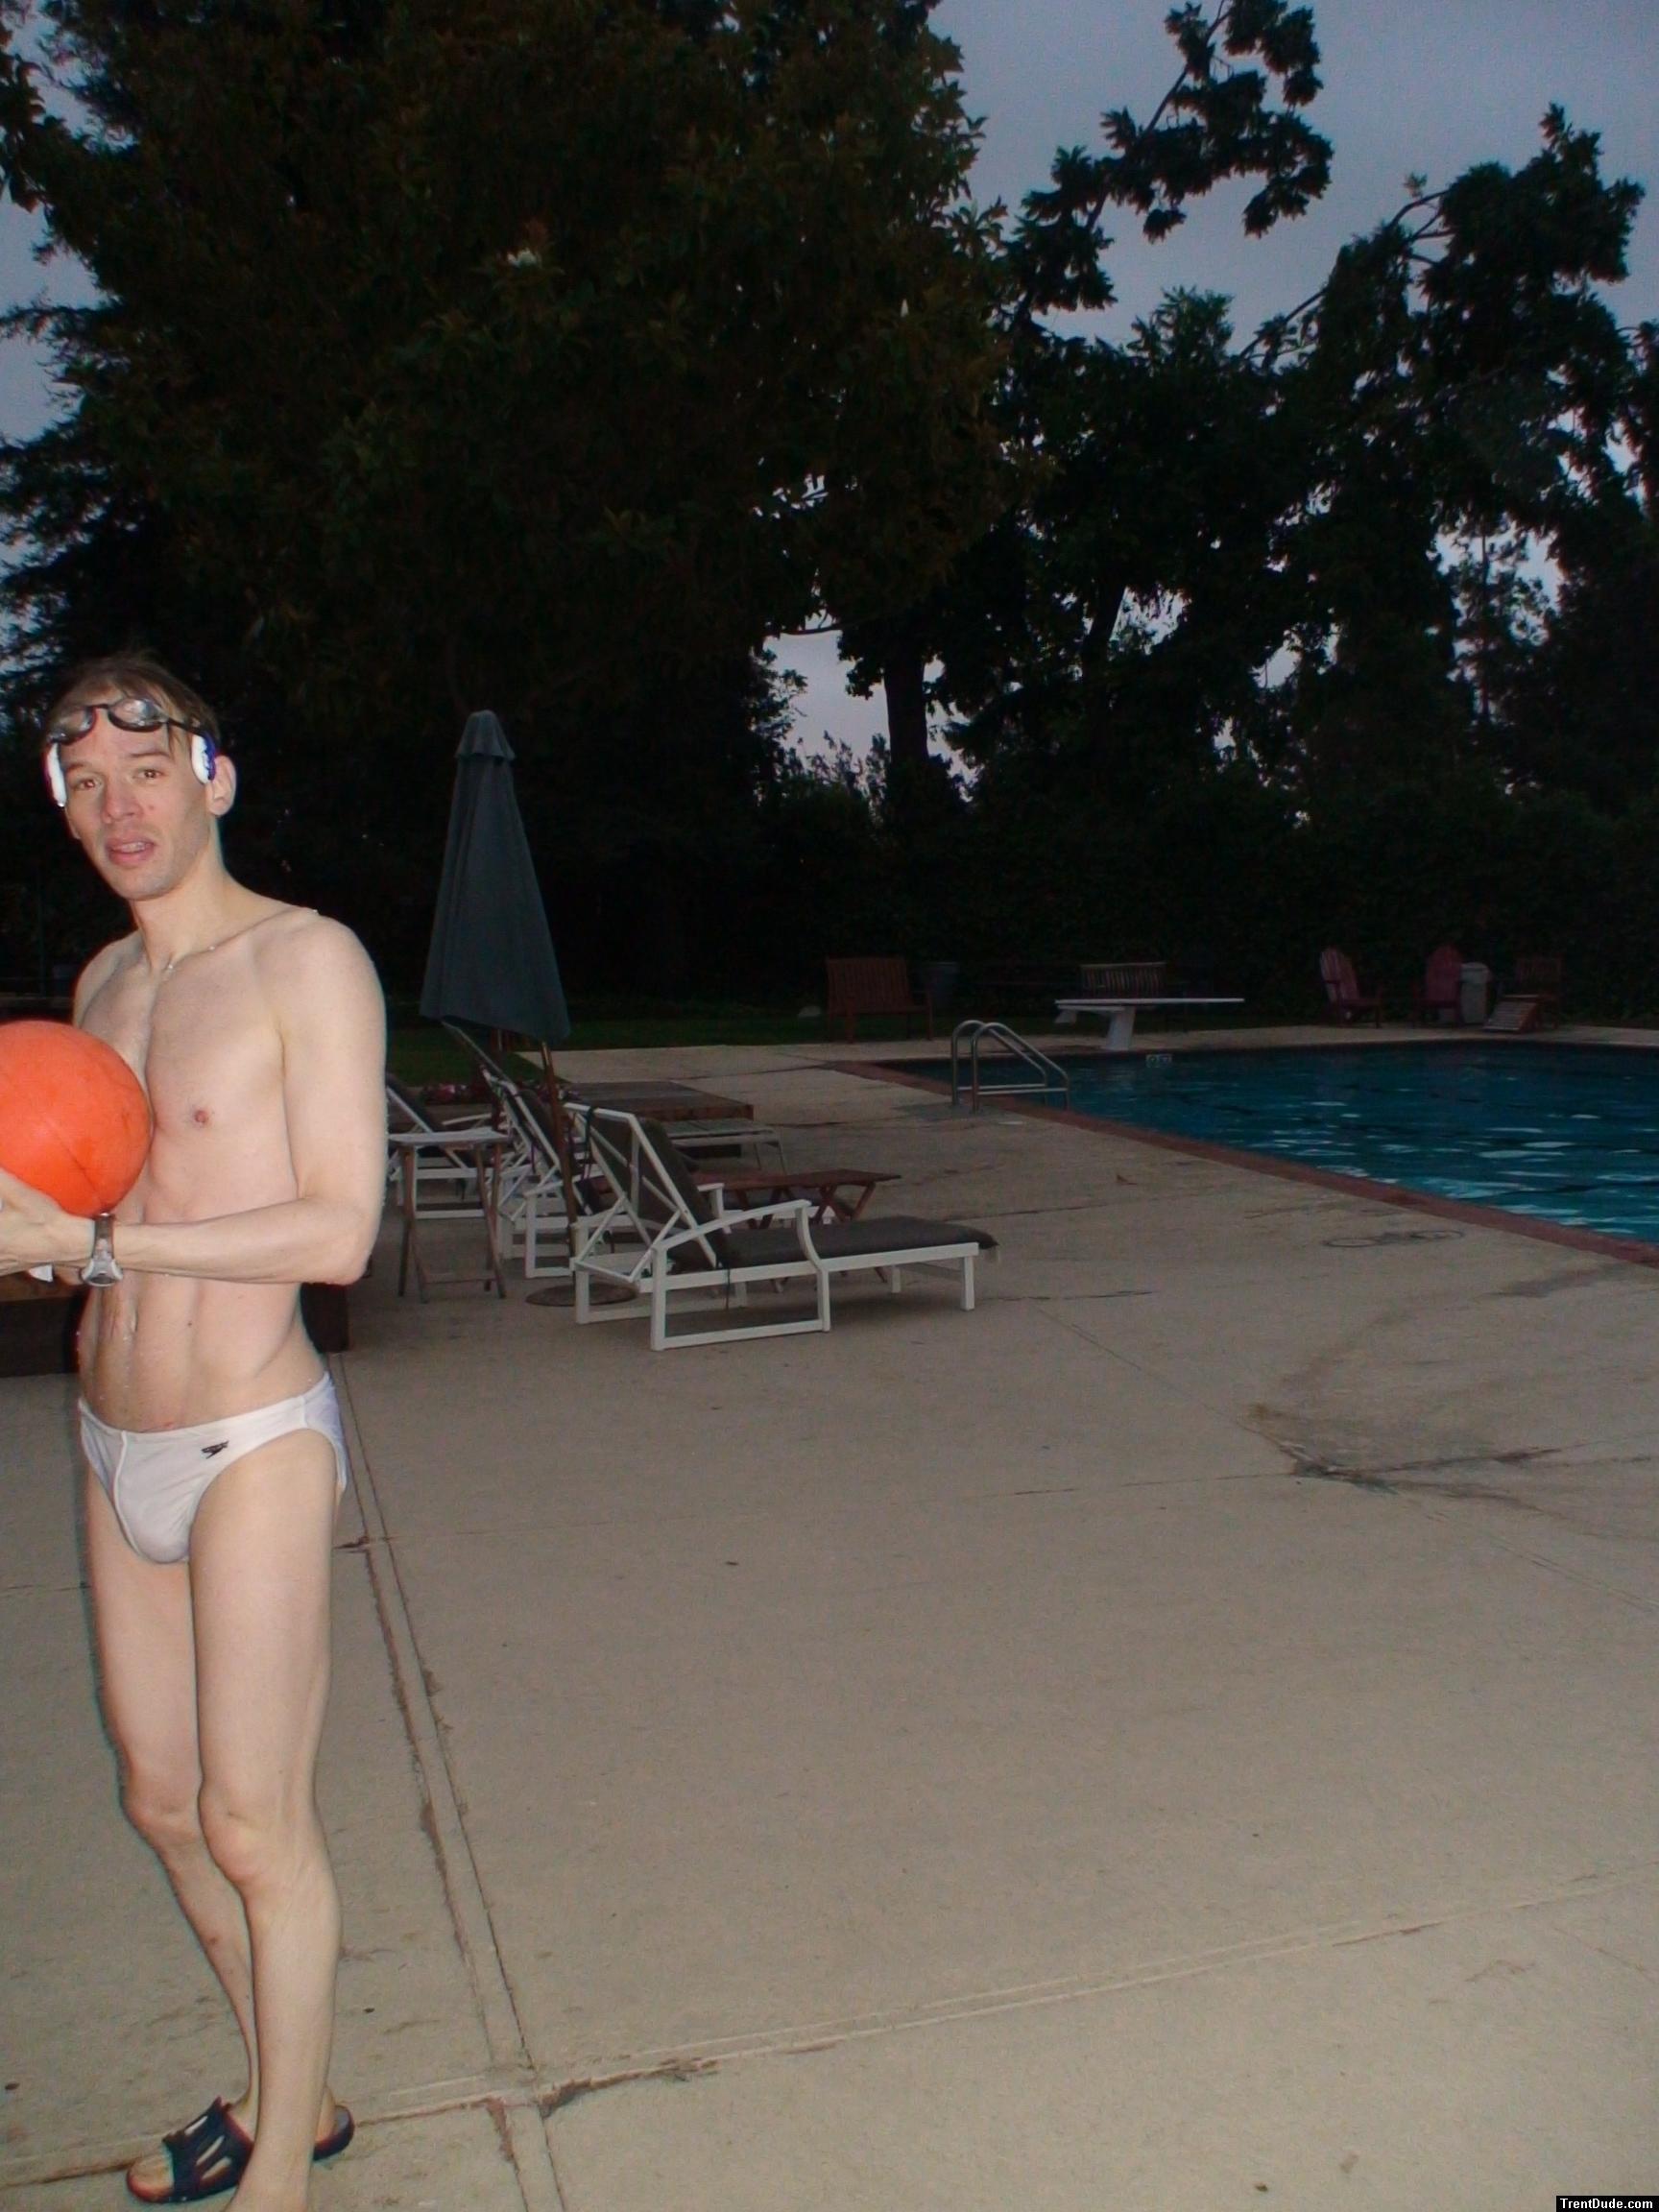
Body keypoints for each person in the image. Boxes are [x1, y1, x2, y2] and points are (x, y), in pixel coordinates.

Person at [0, 655, 387, 2210]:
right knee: (161, 1802)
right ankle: (297, 2092)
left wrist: (99, 1250)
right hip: (114, 1437)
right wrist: (44, 1245)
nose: (119, 807)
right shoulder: (101, 986)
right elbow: (92, 1202)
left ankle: (280, 2176)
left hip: (251, 1442)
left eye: (146, 771)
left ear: (212, 778)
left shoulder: (309, 960)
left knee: (251, 1818)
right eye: (85, 782)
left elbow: (340, 1231)